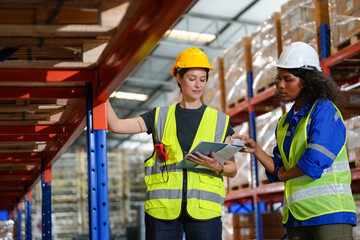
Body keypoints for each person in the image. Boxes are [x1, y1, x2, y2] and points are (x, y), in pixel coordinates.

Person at [107, 47, 237, 240]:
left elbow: (232, 169)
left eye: (203, 79)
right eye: (192, 78)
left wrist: (216, 166)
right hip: (162, 212)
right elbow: (116, 126)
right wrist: (101, 94)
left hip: (204, 212)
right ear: (178, 77)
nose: (198, 85)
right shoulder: (159, 116)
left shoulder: (220, 121)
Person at [233, 42, 357, 240]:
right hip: (296, 217)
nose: (280, 85)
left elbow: (314, 160)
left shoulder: (324, 110)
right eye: (279, 79)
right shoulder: (284, 122)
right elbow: (279, 168)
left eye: (288, 79)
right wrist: (256, 149)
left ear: (306, 81)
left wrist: (283, 175)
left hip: (329, 215)